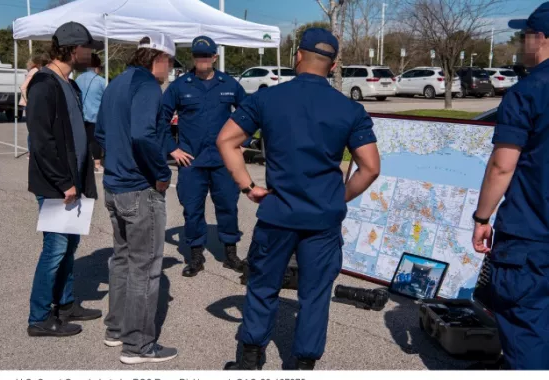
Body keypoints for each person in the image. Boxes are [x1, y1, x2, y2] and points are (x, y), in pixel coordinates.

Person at [217, 28, 381, 370]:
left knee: (263, 286)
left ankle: (250, 358)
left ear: (298, 56)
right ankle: (304, 363)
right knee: (315, 294)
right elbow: (370, 167)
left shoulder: (267, 99)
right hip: (322, 219)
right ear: (334, 65)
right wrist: (340, 196)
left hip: (277, 214)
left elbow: (226, 141)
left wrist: (248, 186)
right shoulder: (350, 109)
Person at [472, 2, 549, 370]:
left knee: (526, 326)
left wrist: (481, 216)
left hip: (532, 236)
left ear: (541, 38)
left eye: (525, 36)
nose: (522, 44)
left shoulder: (529, 91)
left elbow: (502, 167)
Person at [95, 32, 178, 365]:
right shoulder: (146, 86)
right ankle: (139, 345)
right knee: (145, 267)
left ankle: (116, 329)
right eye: (170, 63)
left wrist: (115, 158)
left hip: (115, 187)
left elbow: (100, 131)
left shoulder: (116, 83)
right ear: (159, 59)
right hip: (139, 188)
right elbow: (144, 134)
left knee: (124, 260)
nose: (170, 71)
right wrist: (161, 173)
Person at [25, 22, 103, 337]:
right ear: (72, 49)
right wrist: (63, 182)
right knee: (55, 249)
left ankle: (66, 303)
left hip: (74, 184)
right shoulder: (45, 84)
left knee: (69, 247)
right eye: (88, 47)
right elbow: (41, 141)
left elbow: (78, 130)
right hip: (58, 186)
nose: (91, 52)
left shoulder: (69, 84)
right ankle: (39, 317)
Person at [162, 35, 247, 277]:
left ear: (215, 57)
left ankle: (230, 254)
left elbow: (249, 113)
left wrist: (242, 142)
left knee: (228, 206)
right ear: (193, 57)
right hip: (192, 161)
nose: (202, 60)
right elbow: (161, 119)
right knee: (192, 209)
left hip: (223, 161)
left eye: (207, 55)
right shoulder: (180, 86)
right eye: (198, 55)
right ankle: (196, 255)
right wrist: (172, 148)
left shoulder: (229, 84)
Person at [76, 53, 106, 173]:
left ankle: (83, 161)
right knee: (95, 140)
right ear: (97, 67)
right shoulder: (101, 81)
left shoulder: (78, 78)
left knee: (84, 139)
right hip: (96, 115)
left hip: (81, 114)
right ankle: (97, 164)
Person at [21, 53, 50, 155]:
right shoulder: (35, 72)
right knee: (33, 128)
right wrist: (29, 100)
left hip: (32, 104)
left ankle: (33, 150)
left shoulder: (37, 71)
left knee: (35, 128)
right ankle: (31, 151)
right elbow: (23, 87)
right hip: (30, 104)